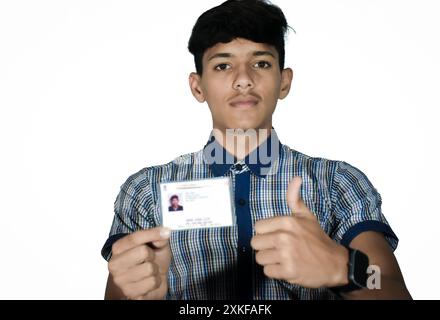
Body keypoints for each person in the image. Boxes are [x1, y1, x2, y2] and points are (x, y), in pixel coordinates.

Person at [101, 0, 411, 300]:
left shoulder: (338, 182)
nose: (244, 80)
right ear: (198, 87)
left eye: (261, 63)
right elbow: (117, 295)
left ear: (284, 82)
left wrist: (341, 268)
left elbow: (389, 285)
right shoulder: (146, 191)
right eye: (223, 65)